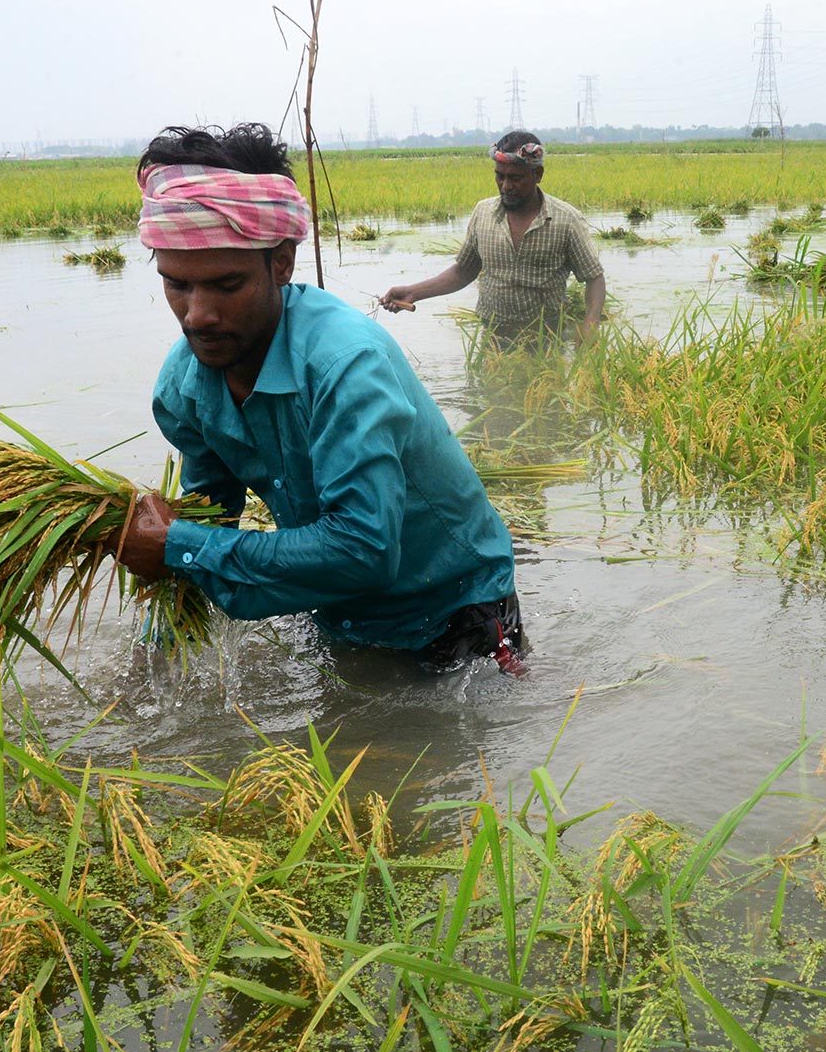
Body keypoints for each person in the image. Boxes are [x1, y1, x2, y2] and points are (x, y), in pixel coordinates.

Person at [115, 124, 527, 674]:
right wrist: (155, 648)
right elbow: (210, 516)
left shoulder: (344, 365)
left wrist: (176, 547)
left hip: (455, 616)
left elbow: (364, 550)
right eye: (177, 285)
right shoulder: (185, 386)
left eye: (227, 285)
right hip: (340, 615)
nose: (198, 315)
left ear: (281, 262)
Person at [380, 132, 606, 344]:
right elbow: (463, 271)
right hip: (492, 338)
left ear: (537, 175)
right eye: (500, 176)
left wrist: (591, 323)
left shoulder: (566, 220)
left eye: (515, 178)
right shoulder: (483, 213)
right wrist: (412, 293)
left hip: (547, 338)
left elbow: (593, 277)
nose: (506, 186)